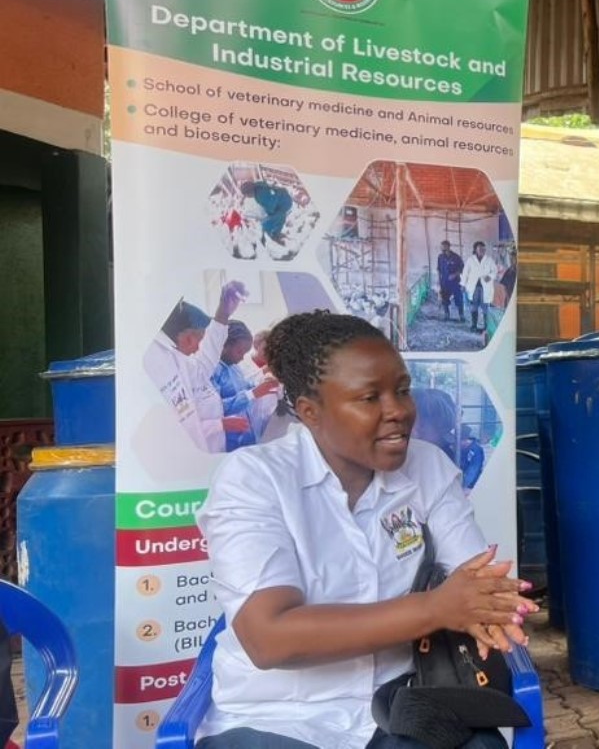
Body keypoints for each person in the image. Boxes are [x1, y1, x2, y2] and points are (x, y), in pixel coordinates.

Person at [196, 312, 536, 749]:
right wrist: (436, 608)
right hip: (278, 718)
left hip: (403, 705)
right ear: (310, 412)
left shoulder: (428, 467)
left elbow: (479, 587)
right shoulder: (254, 479)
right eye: (369, 397)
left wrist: (485, 608)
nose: (398, 412)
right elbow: (270, 638)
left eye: (402, 390)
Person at [143, 283, 249, 454]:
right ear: (188, 338)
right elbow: (177, 427)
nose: (200, 347)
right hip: (187, 459)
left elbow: (205, 361)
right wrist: (219, 424)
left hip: (208, 454)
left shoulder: (180, 360)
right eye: (201, 339)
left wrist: (223, 313)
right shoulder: (156, 361)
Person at [211, 321, 280, 452]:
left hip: (247, 437)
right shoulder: (213, 371)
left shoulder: (234, 368)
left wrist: (264, 384)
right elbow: (215, 408)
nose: (242, 358)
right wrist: (252, 394)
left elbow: (246, 386)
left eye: (245, 352)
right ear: (224, 344)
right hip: (228, 443)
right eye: (239, 351)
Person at [240, 180, 294, 249]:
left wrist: (268, 215)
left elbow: (271, 206)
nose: (247, 197)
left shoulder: (260, 196)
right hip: (283, 196)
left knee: (267, 223)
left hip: (284, 203)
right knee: (275, 218)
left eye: (246, 195)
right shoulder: (257, 185)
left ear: (249, 193)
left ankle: (269, 238)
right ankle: (274, 234)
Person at [462, 241, 498, 333]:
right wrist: (463, 284)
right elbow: (465, 273)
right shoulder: (470, 260)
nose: (482, 250)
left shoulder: (489, 260)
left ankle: (486, 327)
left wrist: (490, 276)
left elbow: (495, 271)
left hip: (485, 287)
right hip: (473, 287)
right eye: (480, 249)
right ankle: (474, 325)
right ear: (475, 249)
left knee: (485, 307)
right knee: (474, 306)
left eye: (483, 249)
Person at [438, 241, 466, 322]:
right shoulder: (440, 257)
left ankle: (461, 315)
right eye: (441, 247)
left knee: (459, 298)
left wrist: (454, 275)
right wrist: (439, 281)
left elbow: (462, 268)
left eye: (444, 247)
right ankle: (446, 315)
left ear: (448, 246)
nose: (442, 249)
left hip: (455, 282)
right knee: (444, 299)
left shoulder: (456, 257)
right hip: (444, 282)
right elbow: (439, 270)